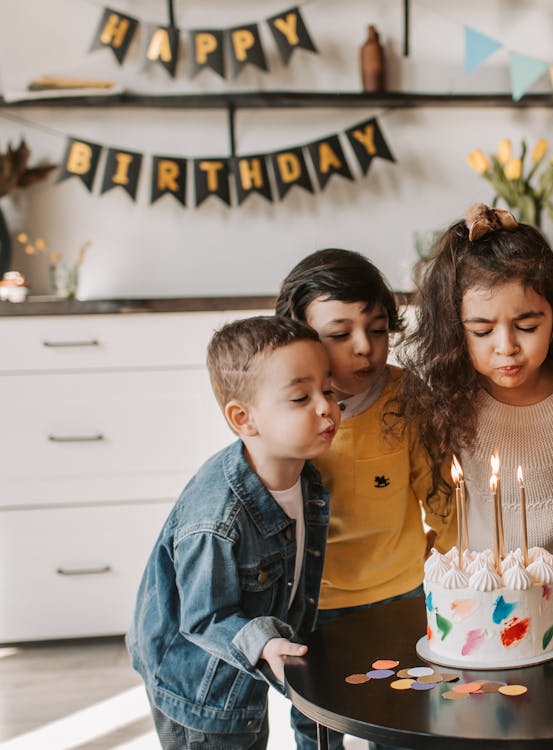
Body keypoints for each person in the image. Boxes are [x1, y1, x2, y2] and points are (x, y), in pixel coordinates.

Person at [127, 316, 340, 749]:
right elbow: (204, 617)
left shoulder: (305, 476)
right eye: (301, 397)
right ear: (244, 419)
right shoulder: (216, 520)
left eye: (329, 390)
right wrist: (264, 645)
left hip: (243, 672)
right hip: (198, 688)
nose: (325, 407)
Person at [276, 248, 455, 750]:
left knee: (403, 710)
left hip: (402, 594)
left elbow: (440, 491)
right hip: (315, 602)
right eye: (339, 334)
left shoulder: (406, 397)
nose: (365, 348)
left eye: (378, 330)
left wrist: (451, 565)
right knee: (318, 716)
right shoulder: (284, 413)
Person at [398, 204, 553, 583]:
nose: (506, 347)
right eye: (482, 331)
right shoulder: (454, 398)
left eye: (526, 326)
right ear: (455, 332)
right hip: (491, 590)